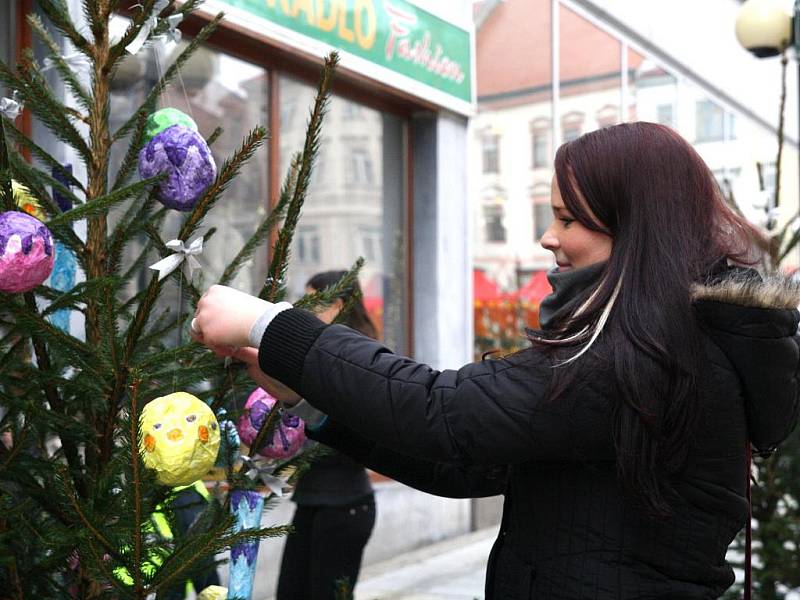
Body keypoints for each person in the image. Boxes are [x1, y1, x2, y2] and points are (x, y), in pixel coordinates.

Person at [190, 122, 800, 599]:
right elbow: (471, 464)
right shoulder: (657, 346)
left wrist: (269, 324)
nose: (547, 237)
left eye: (567, 218)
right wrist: (307, 397)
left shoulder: (638, 358)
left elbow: (441, 409)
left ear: (633, 230)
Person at [275, 271, 377, 600]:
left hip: (345, 503)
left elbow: (364, 437)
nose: (303, 309)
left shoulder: (360, 357)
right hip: (310, 499)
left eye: (311, 300)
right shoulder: (315, 354)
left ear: (336, 304)